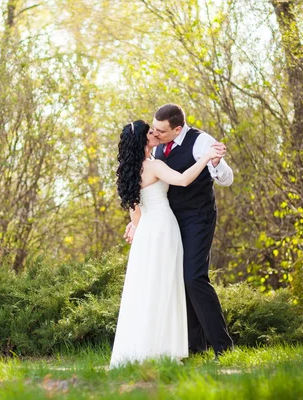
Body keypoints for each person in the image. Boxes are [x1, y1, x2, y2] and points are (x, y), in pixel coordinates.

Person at [109, 119, 223, 368]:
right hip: (163, 228)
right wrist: (204, 158)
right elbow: (182, 180)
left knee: (147, 288)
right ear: (142, 140)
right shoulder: (154, 165)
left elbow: (135, 213)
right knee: (166, 286)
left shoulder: (127, 171)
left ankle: (143, 348)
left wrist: (134, 227)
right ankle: (165, 348)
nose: (155, 134)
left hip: (146, 233)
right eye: (150, 132)